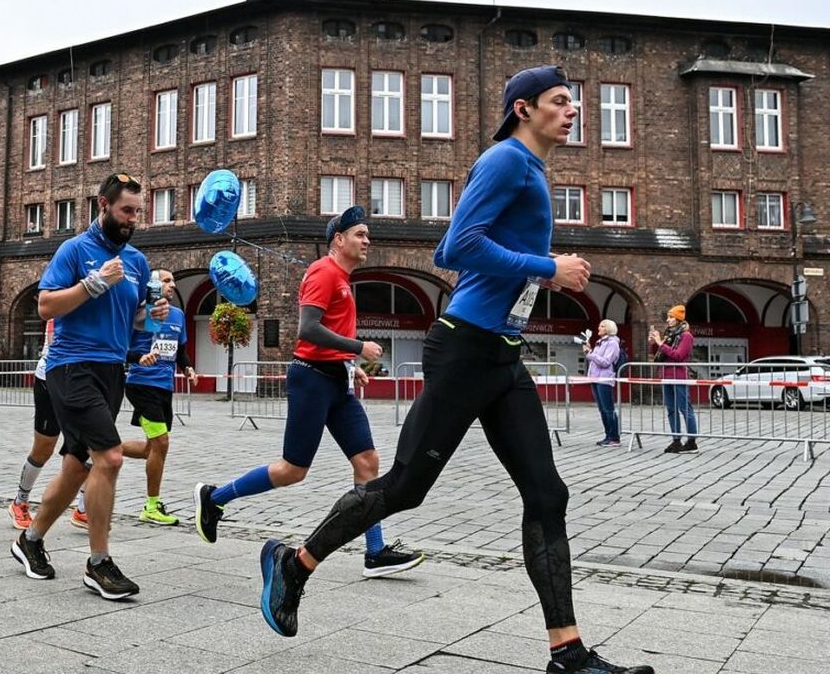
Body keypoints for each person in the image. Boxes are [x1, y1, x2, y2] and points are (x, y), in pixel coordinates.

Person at [255, 66, 653, 674]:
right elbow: (453, 248)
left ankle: (567, 654)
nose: (573, 112)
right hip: (465, 346)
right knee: (406, 488)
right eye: (560, 101)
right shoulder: (506, 161)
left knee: (548, 494)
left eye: (574, 103)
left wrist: (535, 270)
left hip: (503, 353)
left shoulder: (534, 170)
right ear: (523, 108)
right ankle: (296, 562)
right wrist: (547, 267)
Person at [195, 207, 424, 577]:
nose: (367, 241)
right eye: (360, 234)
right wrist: (357, 348)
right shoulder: (323, 271)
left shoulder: (343, 279)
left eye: (367, 235)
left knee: (367, 462)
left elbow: (326, 335)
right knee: (292, 470)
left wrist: (349, 367)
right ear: (339, 239)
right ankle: (214, 498)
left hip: (335, 379)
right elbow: (307, 329)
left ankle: (375, 551)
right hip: (311, 379)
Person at [10, 171, 167, 601]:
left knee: (78, 464)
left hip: (112, 371)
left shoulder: (136, 261)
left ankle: (31, 539)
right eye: (126, 211)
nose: (133, 219)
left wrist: (151, 317)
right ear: (103, 205)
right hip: (71, 366)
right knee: (111, 457)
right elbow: (45, 306)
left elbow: (133, 323)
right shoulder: (75, 250)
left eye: (138, 212)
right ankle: (99, 563)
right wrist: (92, 283)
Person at [122, 268, 197, 526]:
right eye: (166, 281)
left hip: (164, 386)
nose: (172, 285)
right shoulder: (140, 314)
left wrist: (187, 368)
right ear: (152, 285)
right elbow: (120, 347)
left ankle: (102, 448)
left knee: (150, 449)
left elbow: (180, 350)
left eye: (173, 281)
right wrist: (137, 357)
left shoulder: (177, 315)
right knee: (161, 443)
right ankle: (151, 506)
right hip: (141, 383)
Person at [7, 318, 57, 529]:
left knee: (89, 447)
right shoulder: (64, 293)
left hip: (85, 380)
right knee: (44, 448)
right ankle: (20, 501)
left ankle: (83, 508)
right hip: (51, 379)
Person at [650, 305, 696, 454]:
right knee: (671, 409)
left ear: (678, 319)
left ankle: (691, 441)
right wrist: (653, 343)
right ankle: (676, 440)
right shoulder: (670, 335)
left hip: (679, 376)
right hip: (666, 375)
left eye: (670, 317)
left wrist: (660, 343)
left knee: (684, 408)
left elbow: (678, 356)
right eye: (668, 317)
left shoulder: (686, 336)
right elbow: (660, 354)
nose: (668, 320)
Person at [584, 320, 622, 447]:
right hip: (595, 378)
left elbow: (605, 362)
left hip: (604, 379)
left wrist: (590, 354)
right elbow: (596, 360)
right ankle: (608, 435)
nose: (599, 328)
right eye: (599, 325)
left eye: (602, 326)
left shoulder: (612, 343)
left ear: (608, 329)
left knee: (608, 409)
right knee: (602, 409)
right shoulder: (599, 343)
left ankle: (614, 437)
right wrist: (590, 351)